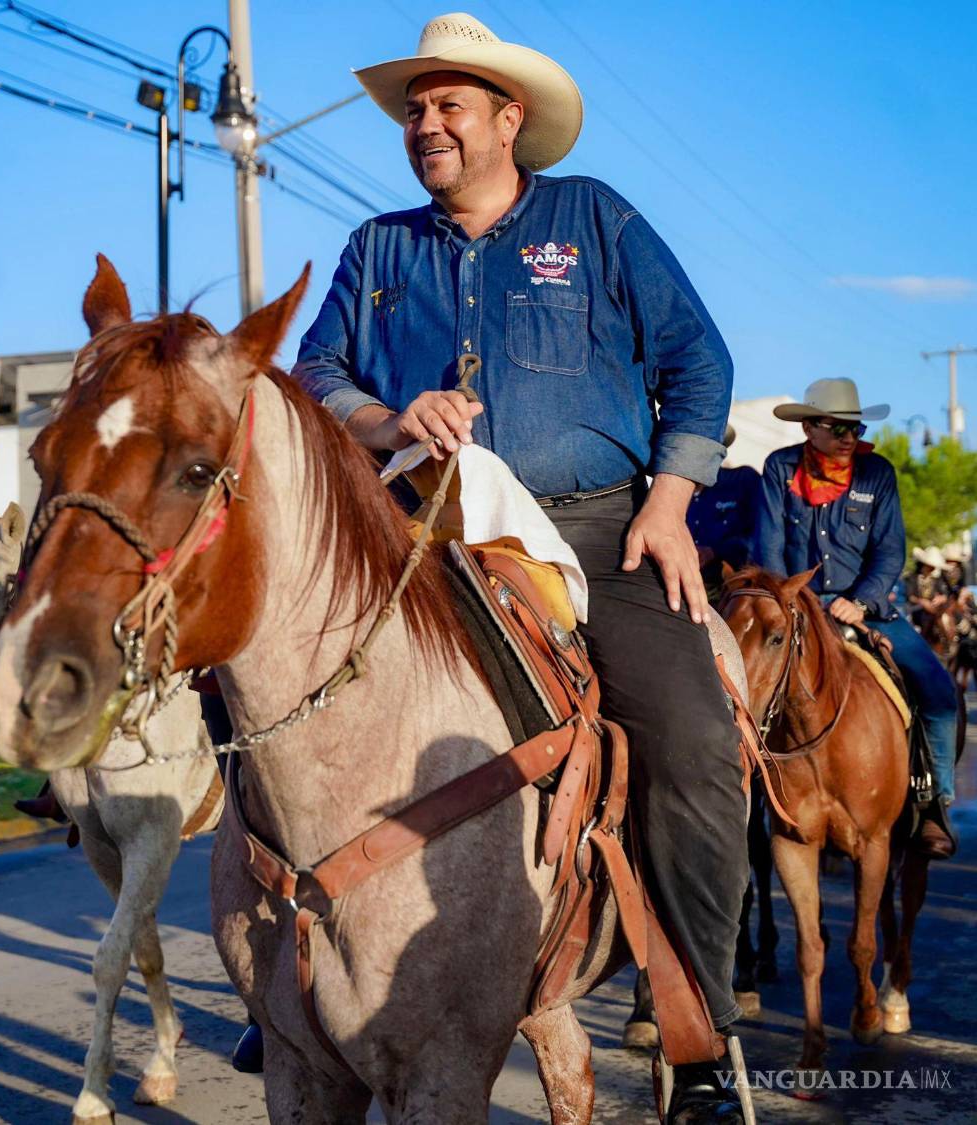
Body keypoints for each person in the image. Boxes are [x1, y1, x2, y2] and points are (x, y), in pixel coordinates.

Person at [295, 13, 750, 1120]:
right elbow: (315, 372)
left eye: (449, 104)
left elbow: (699, 360)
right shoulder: (379, 248)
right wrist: (383, 411)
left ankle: (695, 1034)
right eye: (416, 108)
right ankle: (287, 994)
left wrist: (675, 502)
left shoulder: (592, 216)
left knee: (692, 741)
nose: (425, 123)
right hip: (423, 535)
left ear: (510, 120)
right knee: (275, 707)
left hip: (600, 531)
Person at [754, 378, 958, 858]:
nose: (849, 436)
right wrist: (790, 603)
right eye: (838, 427)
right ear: (809, 427)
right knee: (740, 684)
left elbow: (890, 552)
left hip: (869, 611)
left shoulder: (876, 473)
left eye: (855, 427)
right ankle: (742, 796)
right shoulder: (779, 469)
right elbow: (767, 548)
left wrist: (860, 602)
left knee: (939, 694)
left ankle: (933, 805)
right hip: (797, 611)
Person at [687, 425, 760, 604]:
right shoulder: (667, 493)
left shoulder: (743, 480)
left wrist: (715, 551)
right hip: (680, 584)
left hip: (730, 590)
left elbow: (761, 535)